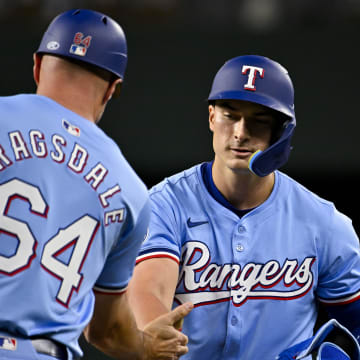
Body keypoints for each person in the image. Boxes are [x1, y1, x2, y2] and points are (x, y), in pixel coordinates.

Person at [128, 55, 360, 359]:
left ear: (281, 132)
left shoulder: (325, 223)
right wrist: (152, 329)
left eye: (259, 120)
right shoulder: (165, 203)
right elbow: (150, 286)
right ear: (211, 117)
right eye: (230, 115)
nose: (240, 132)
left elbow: (353, 326)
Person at [0, 8, 192, 360]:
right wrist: (147, 345)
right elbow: (107, 331)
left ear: (38, 65)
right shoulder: (130, 189)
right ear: (112, 90)